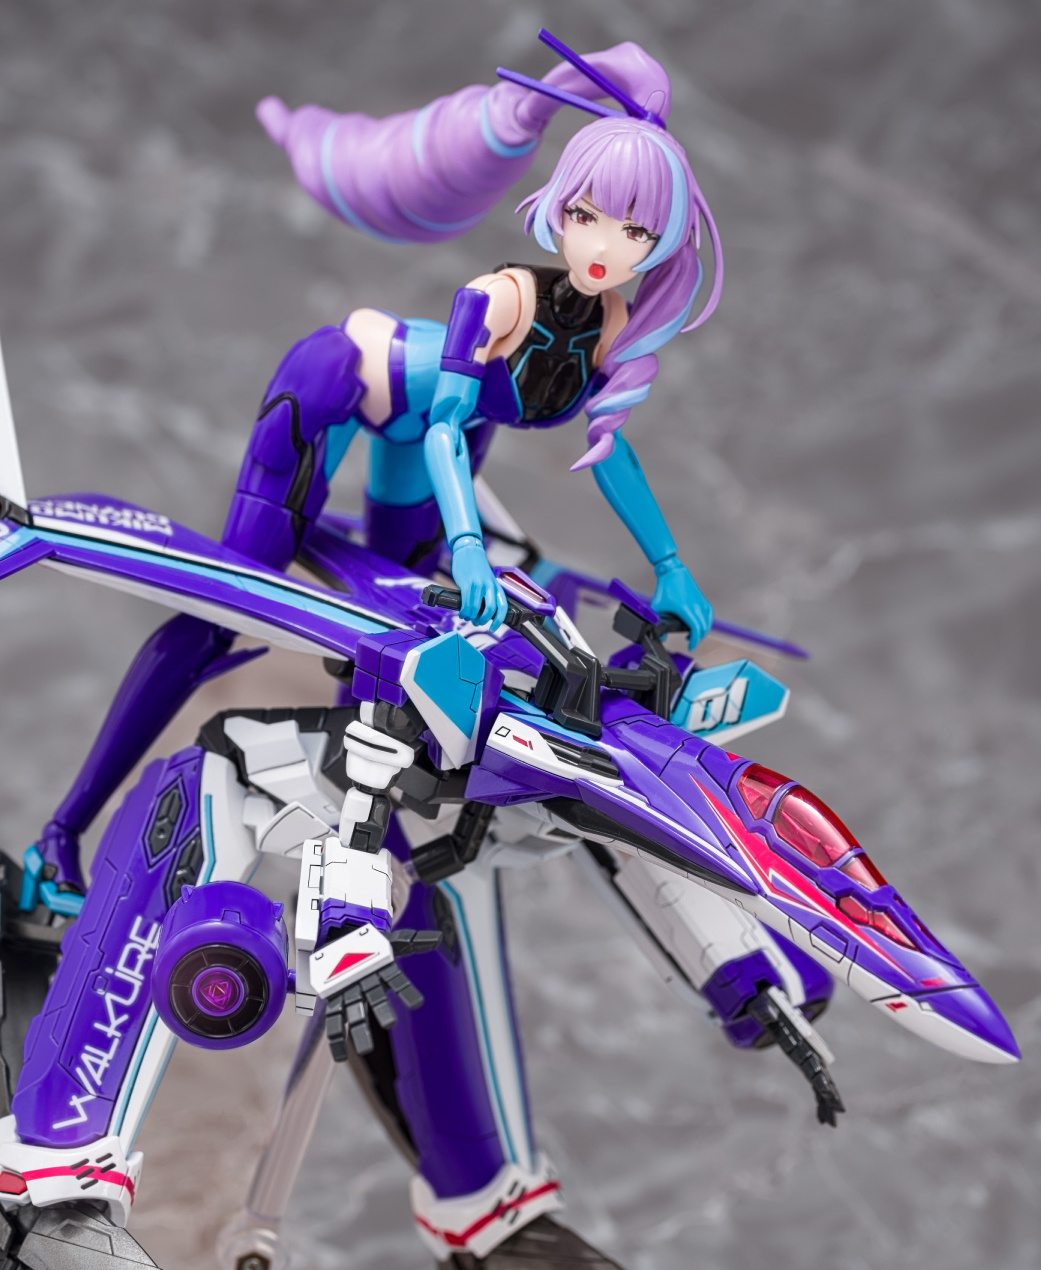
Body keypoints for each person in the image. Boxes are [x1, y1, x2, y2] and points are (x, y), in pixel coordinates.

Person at [14, 34, 830, 1270]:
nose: (605, 243)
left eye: (633, 230)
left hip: (440, 490)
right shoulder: (501, 300)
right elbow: (445, 432)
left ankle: (486, 1202)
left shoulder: (610, 326)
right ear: (560, 206)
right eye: (591, 215)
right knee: (225, 626)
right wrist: (463, 551)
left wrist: (667, 568)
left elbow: (610, 464)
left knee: (445, 792)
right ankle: (63, 898)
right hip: (340, 394)